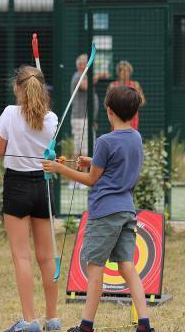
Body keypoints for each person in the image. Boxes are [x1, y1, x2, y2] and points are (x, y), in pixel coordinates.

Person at [42, 86, 154, 332]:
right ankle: (144, 323)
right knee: (127, 265)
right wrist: (92, 161)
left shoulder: (105, 140)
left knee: (96, 269)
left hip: (104, 212)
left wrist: (59, 169)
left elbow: (92, 180)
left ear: (109, 111)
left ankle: (86, 326)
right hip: (127, 211)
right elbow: (116, 164)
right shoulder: (135, 136)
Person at [0, 66, 61, 332]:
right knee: (47, 256)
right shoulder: (52, 118)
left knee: (22, 256)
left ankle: (30, 320)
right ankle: (52, 319)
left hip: (17, 185)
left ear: (17, 88)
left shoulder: (10, 113)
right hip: (42, 188)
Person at [70, 54, 108, 157]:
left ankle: (83, 172)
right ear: (81, 65)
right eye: (87, 63)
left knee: (87, 149)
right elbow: (85, 85)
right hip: (80, 119)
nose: (90, 65)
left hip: (87, 120)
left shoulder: (86, 77)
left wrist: (93, 121)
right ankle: (79, 172)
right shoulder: (78, 76)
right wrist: (98, 76)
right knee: (83, 151)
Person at [107, 61, 145, 131]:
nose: (125, 73)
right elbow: (107, 103)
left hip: (132, 117)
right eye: (122, 70)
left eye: (127, 71)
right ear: (119, 72)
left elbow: (142, 101)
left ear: (130, 73)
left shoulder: (135, 85)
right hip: (117, 117)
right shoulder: (112, 85)